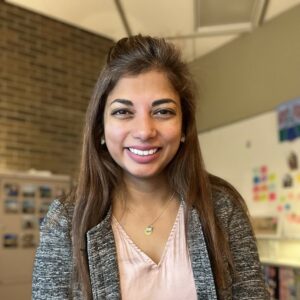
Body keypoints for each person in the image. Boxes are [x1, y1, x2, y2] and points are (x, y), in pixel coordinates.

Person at [32, 34, 269, 300]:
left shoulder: (222, 208)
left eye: (163, 111)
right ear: (100, 128)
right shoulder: (66, 221)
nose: (144, 131)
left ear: (184, 127)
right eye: (123, 112)